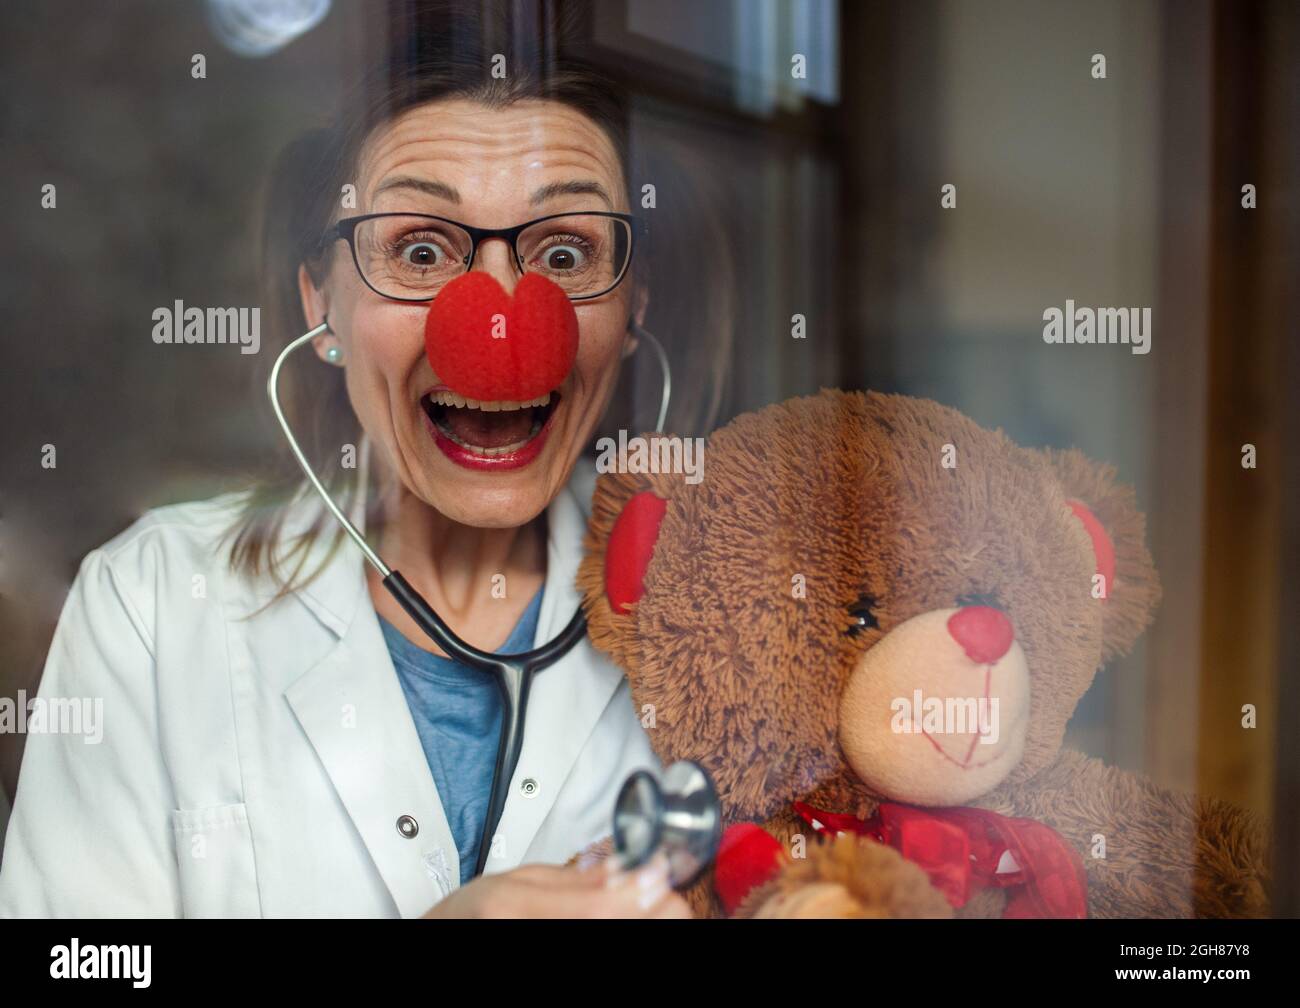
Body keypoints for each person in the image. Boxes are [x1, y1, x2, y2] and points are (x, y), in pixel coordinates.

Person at [0, 10, 732, 918]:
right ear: (323, 304)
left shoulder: (719, 612)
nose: (501, 325)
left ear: (632, 309)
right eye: (420, 250)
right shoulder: (147, 603)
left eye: (565, 250)